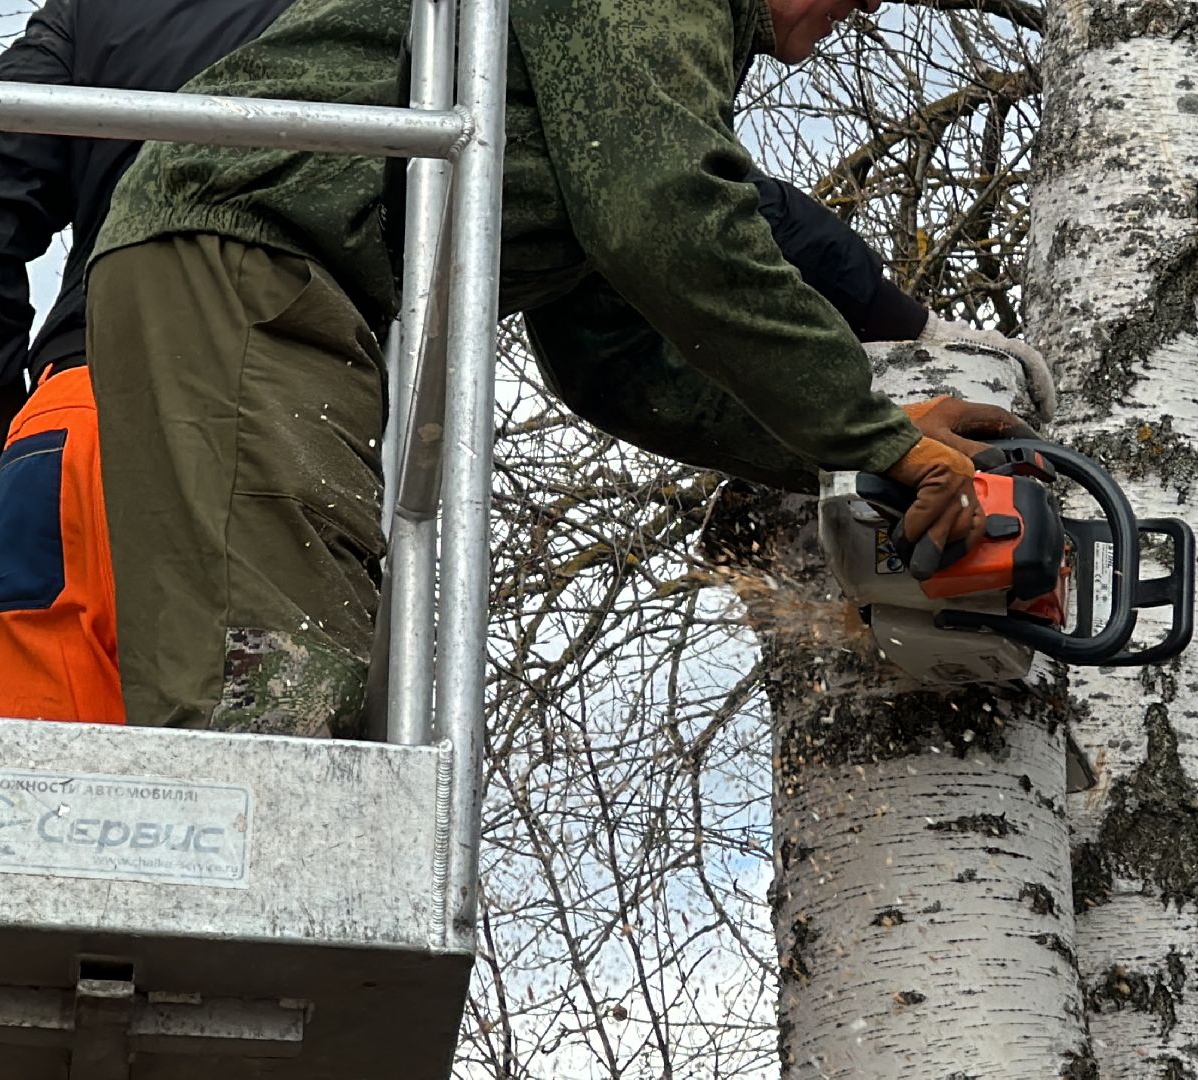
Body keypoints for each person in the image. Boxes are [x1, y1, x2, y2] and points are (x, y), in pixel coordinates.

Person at [85, 0, 1045, 738]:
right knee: (269, 695)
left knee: (322, 682)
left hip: (289, 283)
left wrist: (859, 459)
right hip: (244, 259)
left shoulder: (633, 63)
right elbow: (667, 217)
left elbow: (615, 359)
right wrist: (868, 430)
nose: (869, 6)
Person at [0, 0, 298, 723]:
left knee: (35, 801)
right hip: (279, 427)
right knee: (264, 800)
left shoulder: (101, 10)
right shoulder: (423, 27)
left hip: (81, 419)